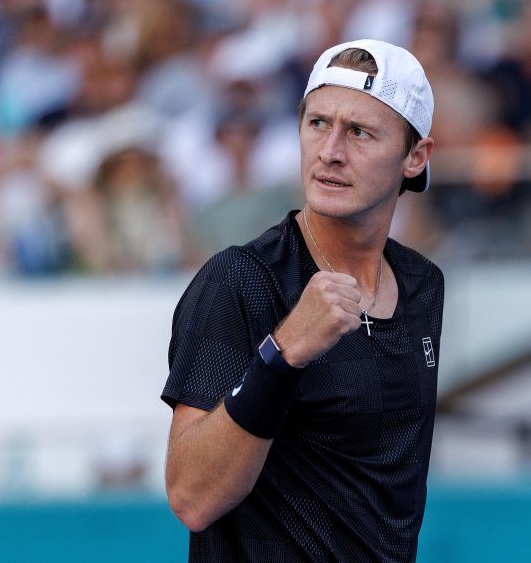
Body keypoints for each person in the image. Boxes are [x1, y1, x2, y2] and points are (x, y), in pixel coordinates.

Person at [162, 39, 444, 562]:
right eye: (317, 123)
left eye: (359, 132)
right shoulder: (240, 280)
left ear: (415, 157)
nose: (330, 151)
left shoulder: (422, 284)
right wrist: (282, 353)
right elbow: (191, 498)